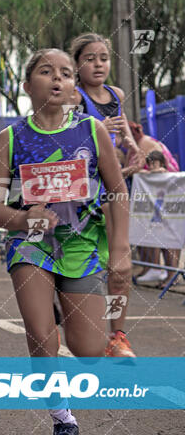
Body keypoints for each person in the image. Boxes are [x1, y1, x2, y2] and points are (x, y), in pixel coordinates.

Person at [0, 48, 132, 435]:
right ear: (27, 85)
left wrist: (119, 252)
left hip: (81, 243)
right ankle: (62, 417)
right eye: (46, 72)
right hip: (30, 243)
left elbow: (117, 191)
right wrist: (23, 218)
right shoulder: (10, 137)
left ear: (73, 87)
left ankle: (65, 307)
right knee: (39, 330)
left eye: (66, 73)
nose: (57, 79)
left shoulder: (91, 130)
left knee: (87, 352)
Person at [70, 32, 139, 357]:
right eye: (89, 58)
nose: (98, 64)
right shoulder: (74, 97)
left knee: (120, 267)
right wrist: (96, 127)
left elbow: (123, 130)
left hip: (114, 190)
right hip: (81, 195)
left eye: (103, 58)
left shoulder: (115, 93)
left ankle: (118, 336)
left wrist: (134, 149)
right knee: (79, 264)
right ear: (77, 64)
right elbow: (66, 140)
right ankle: (63, 317)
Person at [136, 150, 180, 287]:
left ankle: (172, 277)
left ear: (161, 162)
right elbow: (141, 173)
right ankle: (165, 274)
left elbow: (160, 172)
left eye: (154, 163)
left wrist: (151, 172)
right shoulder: (149, 174)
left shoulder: (164, 172)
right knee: (160, 244)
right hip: (158, 215)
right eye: (149, 163)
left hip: (171, 215)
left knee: (169, 246)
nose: (151, 166)